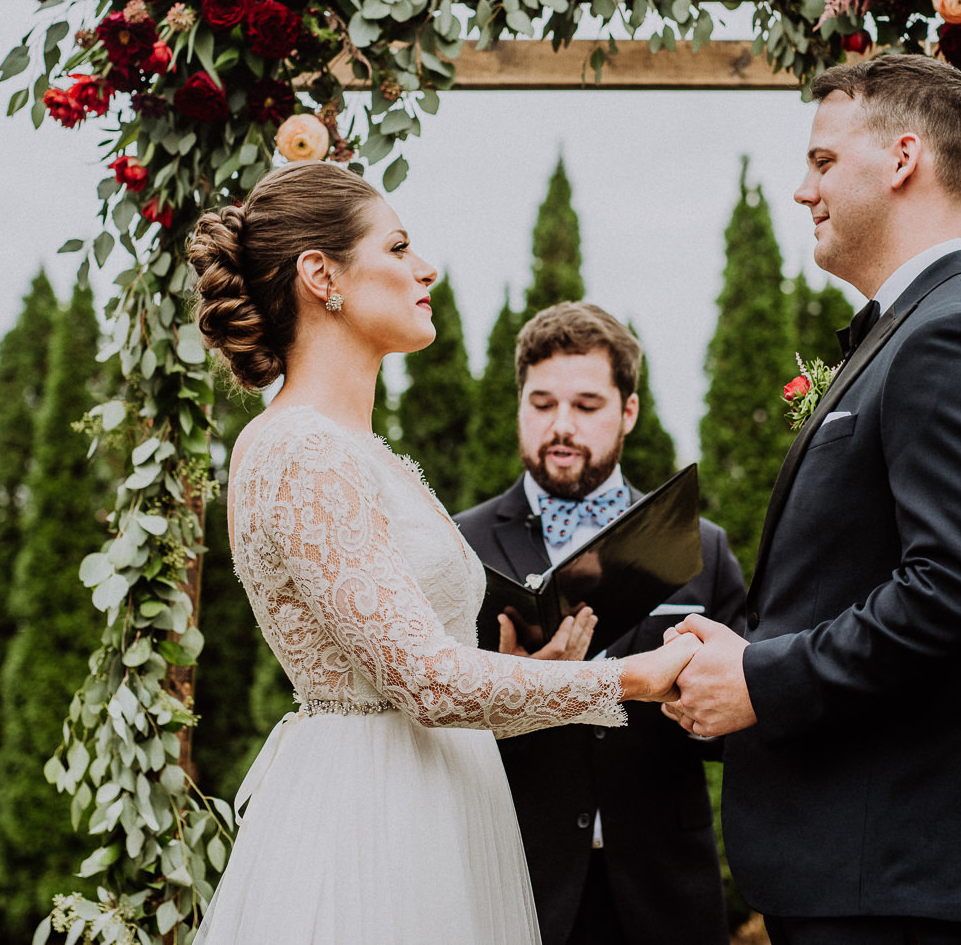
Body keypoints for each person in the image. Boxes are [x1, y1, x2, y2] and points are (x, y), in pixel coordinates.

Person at [186, 162, 703, 945]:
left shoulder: (362, 453)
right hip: (375, 830)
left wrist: (547, 676)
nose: (425, 267)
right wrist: (628, 678)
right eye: (397, 246)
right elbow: (424, 682)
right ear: (321, 275)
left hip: (438, 803)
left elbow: (418, 685)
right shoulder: (302, 450)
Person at [663, 53, 961, 945]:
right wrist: (741, 650)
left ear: (904, 158)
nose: (803, 189)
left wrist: (761, 678)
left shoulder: (956, 335)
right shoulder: (915, 331)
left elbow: (960, 591)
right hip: (868, 870)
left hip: (900, 878)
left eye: (823, 161)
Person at [456, 303, 746, 945]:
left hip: (666, 895)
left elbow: (741, 730)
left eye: (587, 405)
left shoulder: (702, 547)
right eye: (542, 403)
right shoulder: (459, 548)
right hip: (515, 889)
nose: (561, 426)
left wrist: (694, 694)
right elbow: (430, 733)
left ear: (629, 412)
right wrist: (519, 695)